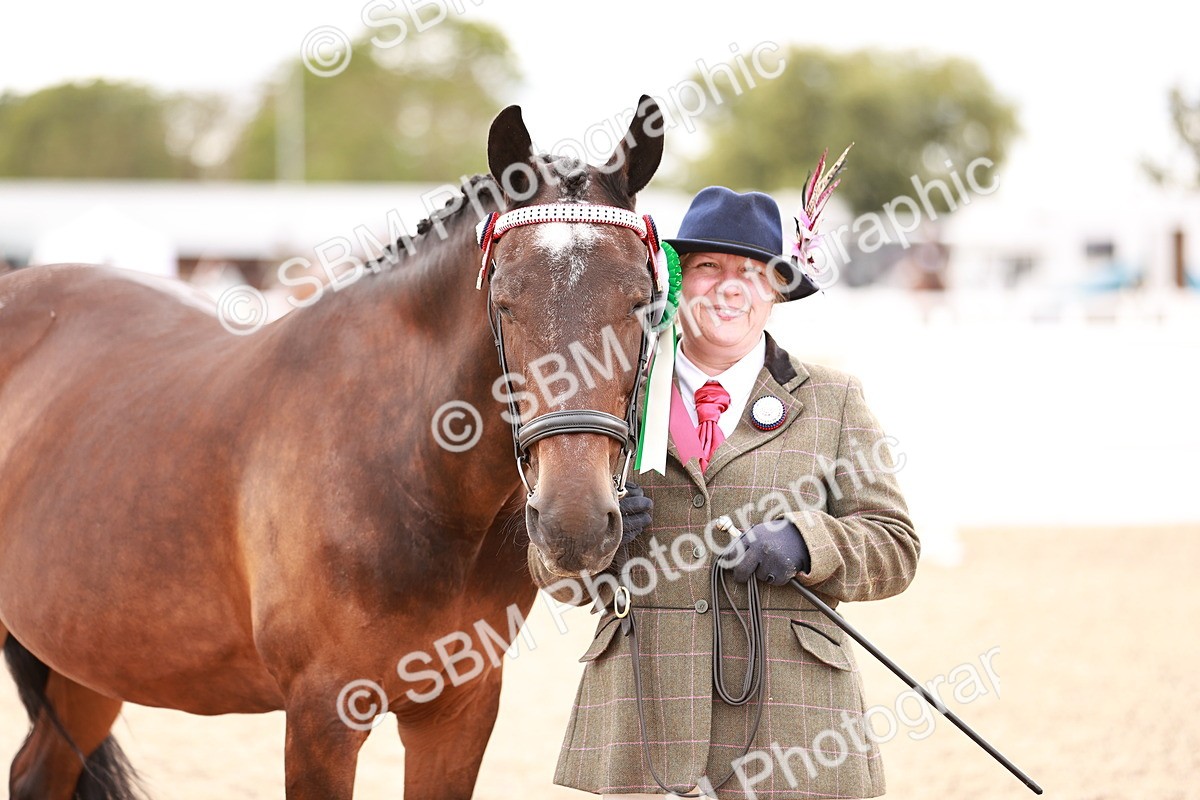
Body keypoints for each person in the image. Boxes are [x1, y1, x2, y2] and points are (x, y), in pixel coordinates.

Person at [528, 186, 920, 799]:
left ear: (777, 291)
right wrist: (592, 546)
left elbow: (896, 550)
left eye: (753, 272)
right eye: (709, 267)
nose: (730, 287)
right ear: (678, 282)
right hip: (644, 718)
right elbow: (552, 573)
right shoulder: (612, 397)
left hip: (794, 726)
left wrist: (806, 541)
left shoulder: (833, 399)